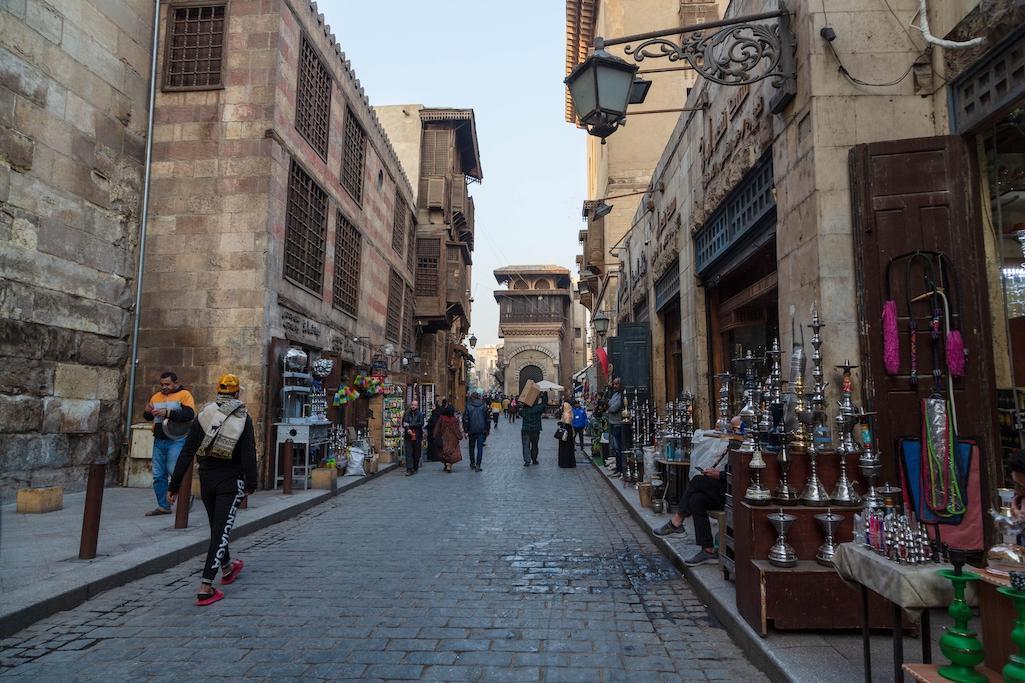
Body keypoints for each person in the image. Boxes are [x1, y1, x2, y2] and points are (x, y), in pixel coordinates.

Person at [168, 373, 257, 606]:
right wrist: (252, 483)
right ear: (237, 394)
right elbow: (248, 454)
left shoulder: (204, 415)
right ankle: (205, 587)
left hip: (207, 479)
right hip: (230, 481)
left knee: (217, 527)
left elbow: (188, 451)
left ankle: (228, 568)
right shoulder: (243, 418)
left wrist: (174, 485)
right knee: (220, 532)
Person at [143, 371, 196, 516]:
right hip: (159, 439)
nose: (164, 387)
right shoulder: (156, 397)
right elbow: (149, 416)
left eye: (167, 384)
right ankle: (163, 506)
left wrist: (168, 413)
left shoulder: (185, 395)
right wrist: (147, 411)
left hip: (177, 439)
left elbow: (189, 415)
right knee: (158, 475)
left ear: (175, 383)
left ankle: (186, 496)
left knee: (175, 470)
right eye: (162, 384)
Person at [653, 465, 727, 566]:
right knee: (696, 500)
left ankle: (676, 522)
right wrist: (717, 473)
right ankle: (708, 550)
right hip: (726, 488)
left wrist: (720, 475)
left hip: (734, 493)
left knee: (697, 480)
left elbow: (743, 474)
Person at [462, 392, 490, 472]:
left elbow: (466, 419)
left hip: (471, 430)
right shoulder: (484, 405)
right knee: (480, 448)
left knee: (471, 447)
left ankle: (472, 463)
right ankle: (478, 464)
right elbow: (487, 419)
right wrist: (487, 429)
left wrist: (465, 430)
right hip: (481, 430)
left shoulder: (468, 406)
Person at [519, 391, 549, 466]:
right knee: (535, 445)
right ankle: (534, 459)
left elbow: (520, 412)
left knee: (526, 445)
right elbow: (544, 405)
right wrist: (543, 396)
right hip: (535, 429)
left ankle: (527, 461)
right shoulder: (537, 408)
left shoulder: (524, 410)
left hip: (526, 429)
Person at [605, 377, 626, 478]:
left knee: (619, 447)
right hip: (612, 422)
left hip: (618, 423)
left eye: (616, 384)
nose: (614, 386)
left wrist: (609, 408)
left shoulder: (621, 395)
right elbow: (609, 403)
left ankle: (621, 469)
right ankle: (618, 468)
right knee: (615, 447)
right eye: (613, 384)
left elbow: (614, 407)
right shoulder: (615, 394)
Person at [436, 404, 463, 473]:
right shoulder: (455, 420)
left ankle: (446, 464)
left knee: (444, 451)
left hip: (444, 437)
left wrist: (436, 435)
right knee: (452, 452)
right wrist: (460, 436)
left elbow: (437, 427)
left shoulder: (441, 418)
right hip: (453, 438)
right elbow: (457, 430)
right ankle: (449, 465)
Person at [402, 400, 425, 476]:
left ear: (417, 406)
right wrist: (408, 429)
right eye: (412, 404)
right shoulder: (407, 413)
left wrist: (410, 425)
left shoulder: (420, 414)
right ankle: (409, 469)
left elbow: (421, 423)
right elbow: (404, 423)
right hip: (408, 436)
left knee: (416, 454)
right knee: (408, 453)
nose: (413, 406)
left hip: (417, 436)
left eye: (415, 405)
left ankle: (415, 467)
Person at [557, 400, 576, 468]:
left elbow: (567, 422)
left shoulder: (566, 413)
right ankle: (568, 462)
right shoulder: (569, 412)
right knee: (568, 447)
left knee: (565, 447)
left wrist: (561, 423)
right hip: (568, 431)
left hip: (566, 432)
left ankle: (565, 462)